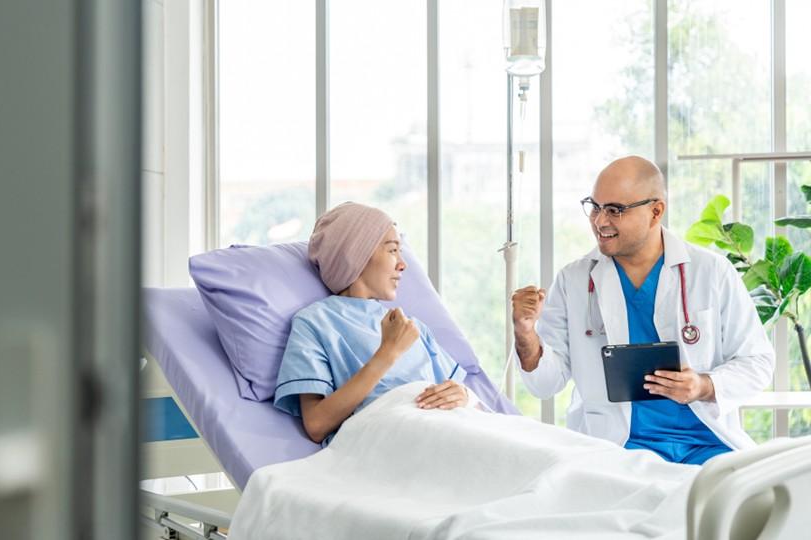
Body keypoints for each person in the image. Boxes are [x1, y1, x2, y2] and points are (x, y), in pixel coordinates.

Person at [511, 156, 774, 464]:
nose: (599, 221)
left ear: (655, 211)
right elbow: (545, 384)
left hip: (709, 444)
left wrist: (703, 385)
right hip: (618, 447)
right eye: (594, 206)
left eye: (615, 210)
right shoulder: (575, 279)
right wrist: (525, 333)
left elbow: (758, 363)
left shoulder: (711, 271)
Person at [274, 202, 474, 444]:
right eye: (392, 250)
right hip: (392, 439)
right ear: (356, 255)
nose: (403, 264)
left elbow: (466, 405)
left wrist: (463, 396)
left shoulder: (411, 327)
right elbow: (316, 425)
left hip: (449, 428)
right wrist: (387, 353)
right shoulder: (315, 322)